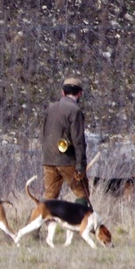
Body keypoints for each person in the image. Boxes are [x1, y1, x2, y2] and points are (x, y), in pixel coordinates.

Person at [41, 77, 90, 206]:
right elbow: (78, 140)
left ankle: (37, 224)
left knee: (49, 196)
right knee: (82, 193)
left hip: (49, 159)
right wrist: (81, 165)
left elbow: (44, 134)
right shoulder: (75, 111)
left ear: (62, 92)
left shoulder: (50, 109)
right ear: (80, 93)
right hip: (67, 160)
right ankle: (79, 224)